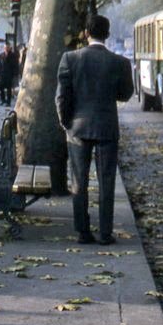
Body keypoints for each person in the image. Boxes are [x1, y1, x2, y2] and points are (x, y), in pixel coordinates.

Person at [56, 15, 134, 245]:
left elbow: (61, 96)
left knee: (79, 181)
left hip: (77, 128)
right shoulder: (120, 63)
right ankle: (106, 233)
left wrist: (66, 122)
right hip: (107, 127)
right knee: (106, 181)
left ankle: (83, 231)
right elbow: (125, 94)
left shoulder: (70, 59)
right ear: (107, 35)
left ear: (86, 34)